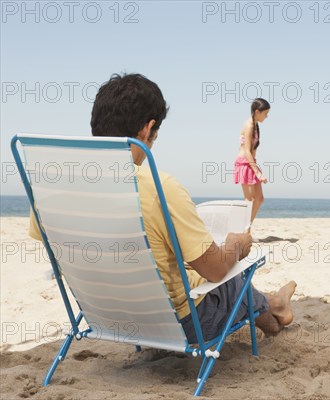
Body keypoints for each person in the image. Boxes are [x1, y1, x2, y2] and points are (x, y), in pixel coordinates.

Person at [29, 73, 296, 342]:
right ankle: (273, 310)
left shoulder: (48, 189)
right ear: (148, 128)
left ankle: (274, 303)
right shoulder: (159, 187)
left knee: (186, 265)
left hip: (108, 319)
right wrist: (236, 245)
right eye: (155, 135)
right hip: (179, 325)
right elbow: (214, 270)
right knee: (232, 277)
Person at [234, 98, 270, 226]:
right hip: (244, 163)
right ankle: (245, 229)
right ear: (257, 112)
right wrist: (258, 172)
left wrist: (257, 169)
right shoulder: (249, 126)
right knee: (249, 199)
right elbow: (247, 151)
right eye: (265, 113)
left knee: (259, 199)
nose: (267, 116)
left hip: (251, 162)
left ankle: (246, 226)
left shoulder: (255, 125)